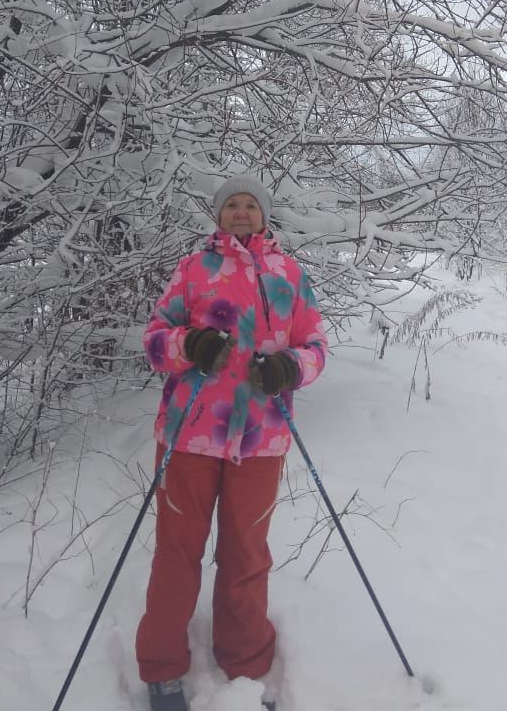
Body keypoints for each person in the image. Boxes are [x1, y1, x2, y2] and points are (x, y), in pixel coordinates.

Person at [136, 175, 328, 711]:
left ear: (264, 216)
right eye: (231, 205)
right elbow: (154, 341)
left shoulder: (289, 274)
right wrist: (191, 344)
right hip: (190, 435)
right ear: (219, 216)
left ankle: (246, 665)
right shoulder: (194, 269)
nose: (241, 212)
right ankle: (162, 668)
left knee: (246, 555)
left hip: (261, 438)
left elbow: (316, 345)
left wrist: (290, 368)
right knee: (178, 552)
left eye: (250, 205)